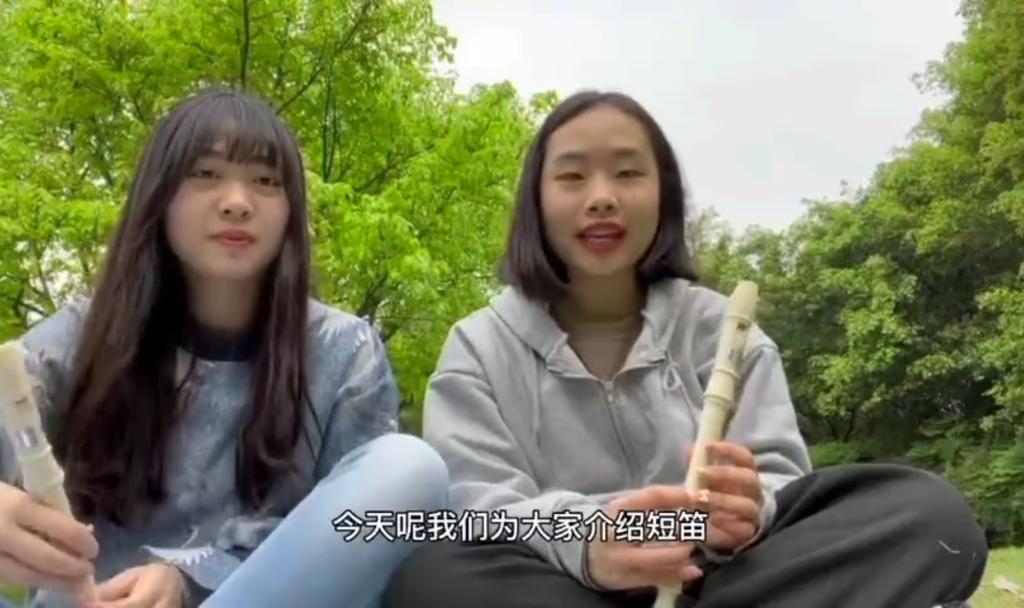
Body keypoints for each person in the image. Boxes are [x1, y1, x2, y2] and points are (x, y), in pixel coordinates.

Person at [381, 90, 988, 608]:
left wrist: (749, 510)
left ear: (664, 196)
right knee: (432, 577)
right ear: (536, 203)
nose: (602, 197)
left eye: (628, 173)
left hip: (729, 575)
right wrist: (589, 541)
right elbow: (481, 505)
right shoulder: (479, 345)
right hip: (565, 583)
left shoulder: (722, 328)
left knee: (929, 514)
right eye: (572, 176)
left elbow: (779, 479)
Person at [0, 87, 448, 608]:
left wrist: (190, 579)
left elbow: (355, 531)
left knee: (410, 466)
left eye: (265, 181)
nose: (237, 202)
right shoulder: (83, 333)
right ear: (159, 196)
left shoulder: (343, 351)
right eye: (205, 173)